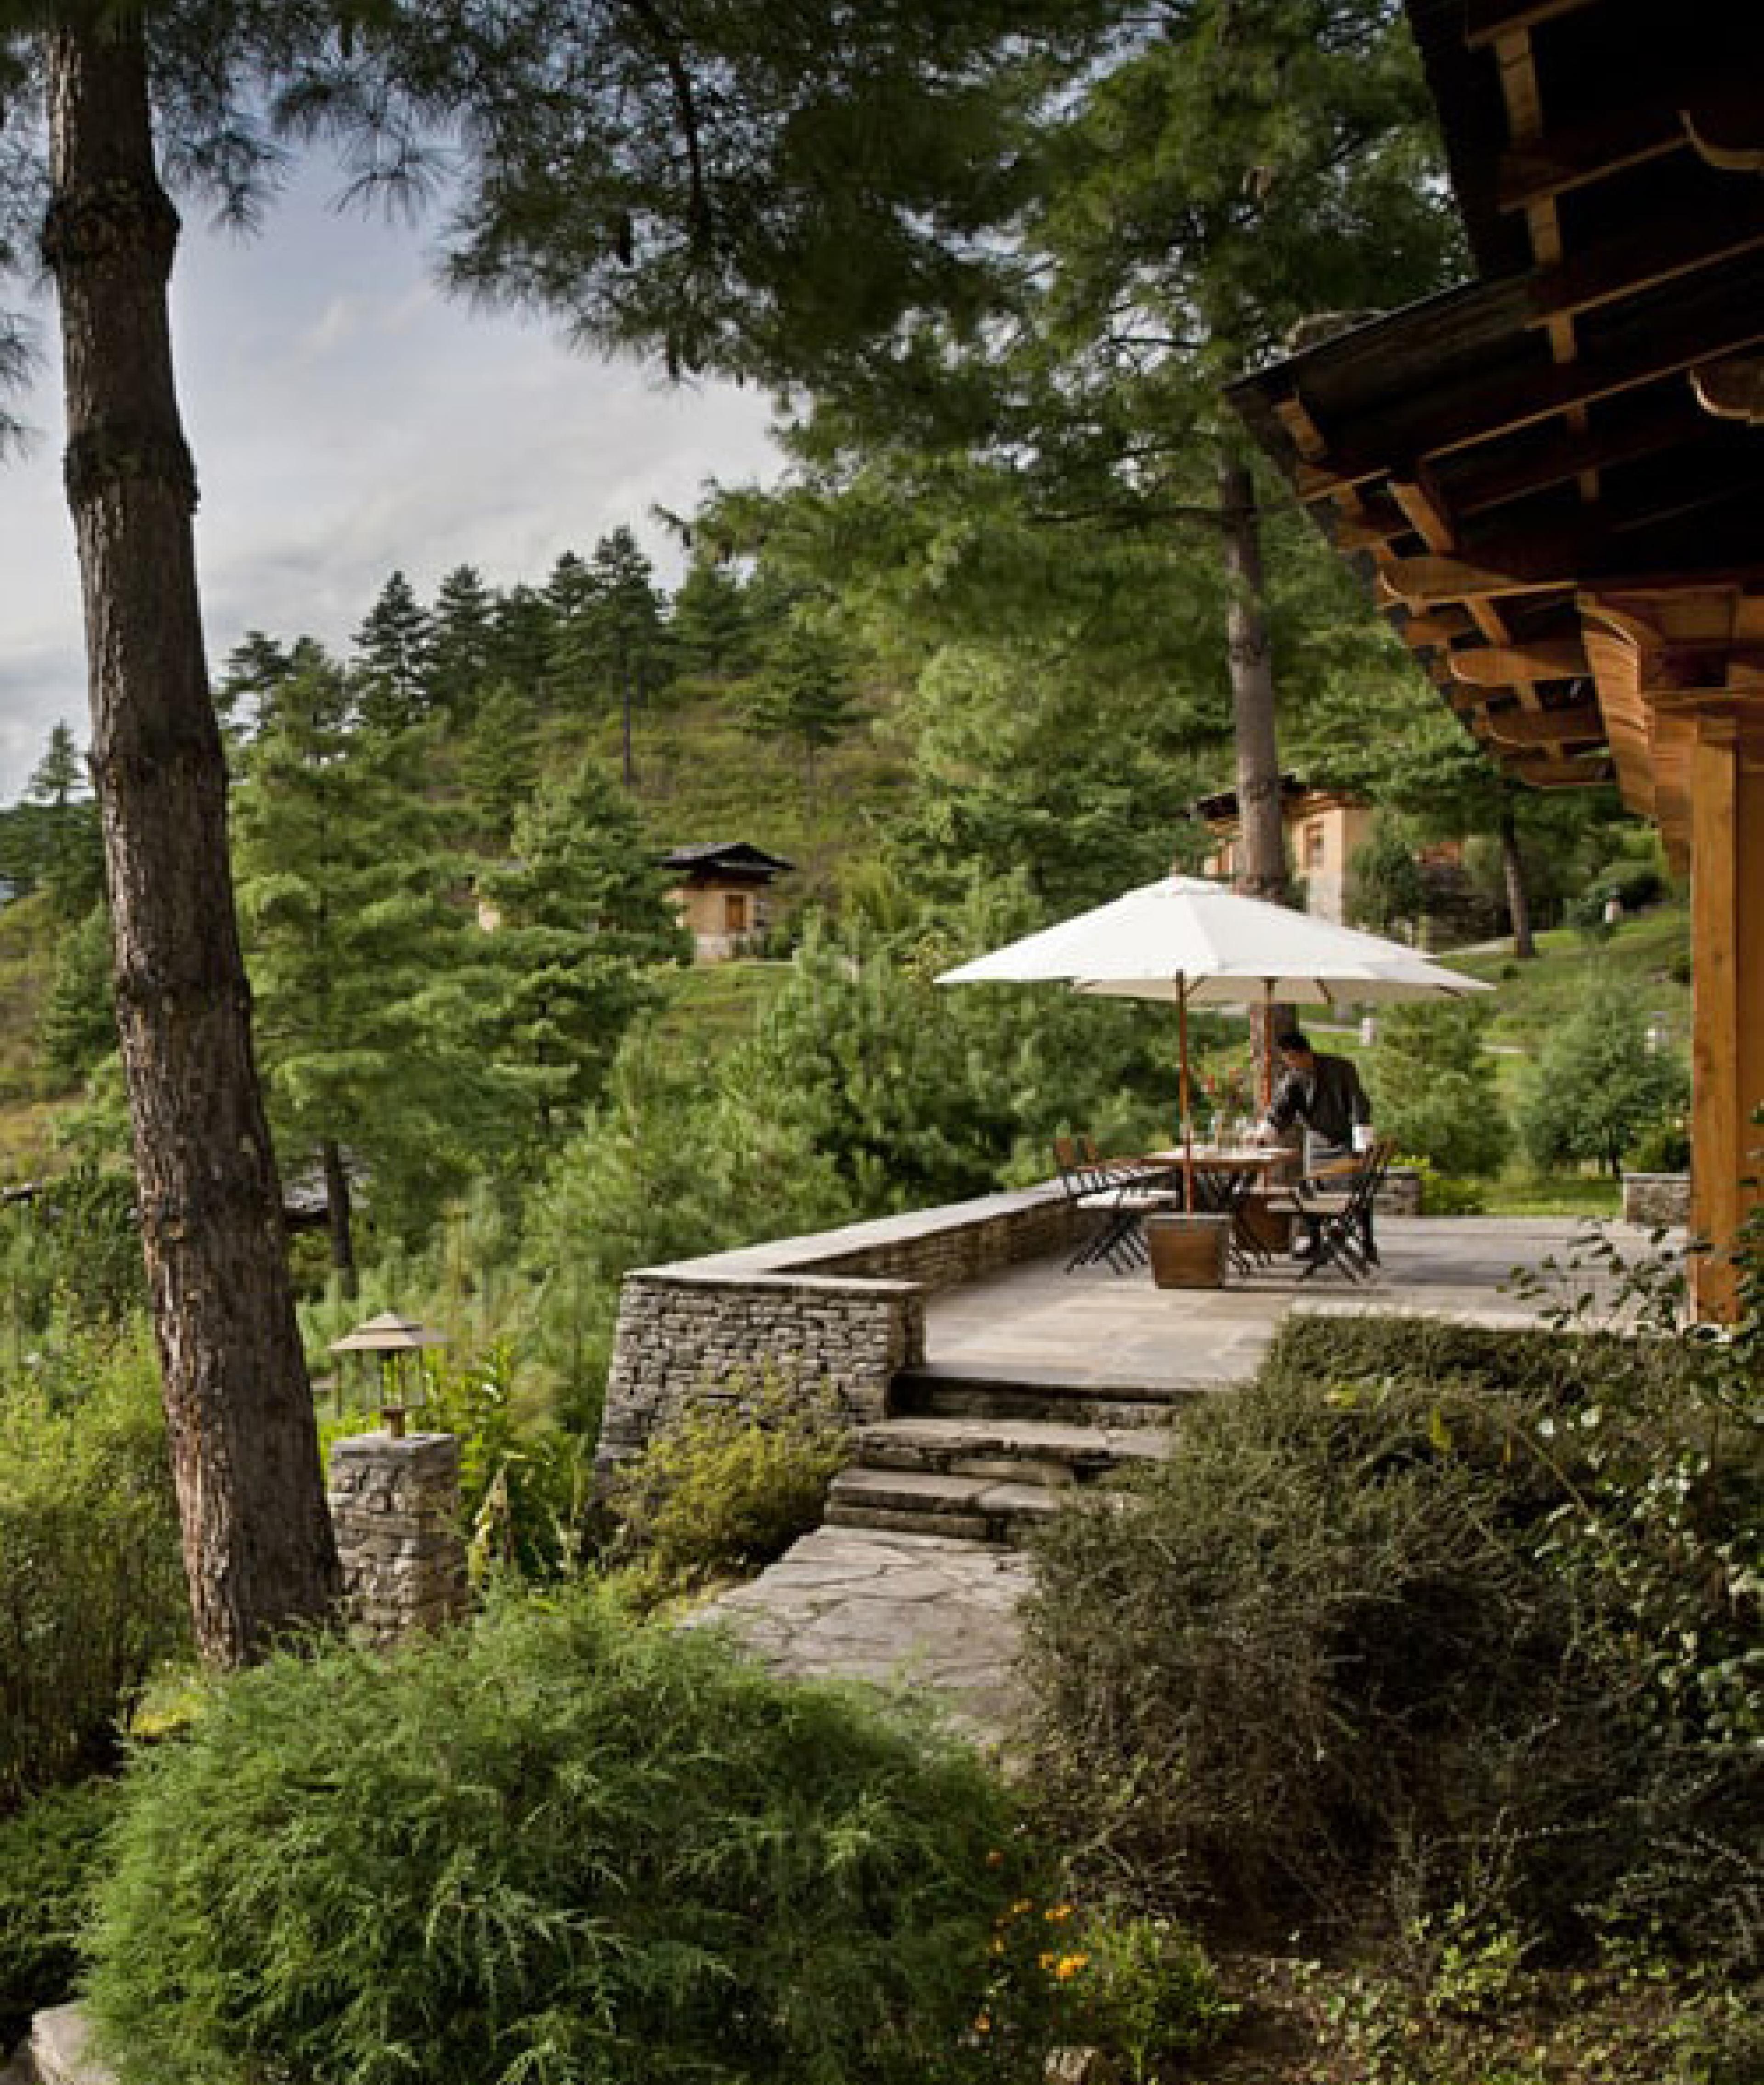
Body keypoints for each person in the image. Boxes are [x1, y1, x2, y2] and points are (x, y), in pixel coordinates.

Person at [1257, 1029, 1376, 1261]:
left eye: (1290, 1058)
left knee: (1349, 1190)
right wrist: (1265, 1133)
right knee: (1310, 1189)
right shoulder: (1293, 1077)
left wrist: (1362, 1143)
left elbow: (1357, 1103)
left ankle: (1353, 1241)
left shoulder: (1342, 1068)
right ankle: (1315, 1242)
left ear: (1301, 1053)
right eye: (1286, 1060)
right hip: (1316, 1141)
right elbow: (1281, 1108)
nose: (1290, 1064)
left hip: (1344, 1141)